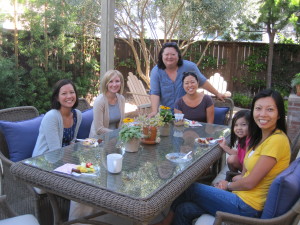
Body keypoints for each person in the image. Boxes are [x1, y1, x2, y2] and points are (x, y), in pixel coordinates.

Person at [155, 89, 291, 225]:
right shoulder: (260, 136)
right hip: (240, 196)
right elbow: (248, 171)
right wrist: (237, 179)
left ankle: (165, 222)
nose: (263, 114)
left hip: (247, 207)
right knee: (184, 209)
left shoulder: (276, 141)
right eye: (258, 109)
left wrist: (228, 185)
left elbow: (250, 183)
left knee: (188, 187)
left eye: (270, 110)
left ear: (279, 114)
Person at [149, 42, 225, 117]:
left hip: (187, 115)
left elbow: (202, 82)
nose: (169, 57)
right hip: (166, 115)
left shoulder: (189, 67)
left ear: (178, 56)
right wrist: (154, 111)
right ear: (161, 56)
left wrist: (217, 93)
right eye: (166, 54)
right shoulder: (156, 71)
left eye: (173, 54)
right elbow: (155, 93)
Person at [32, 79, 82, 157]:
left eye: (72, 92)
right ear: (57, 97)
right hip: (44, 160)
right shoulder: (51, 117)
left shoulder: (78, 115)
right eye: (64, 93)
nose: (69, 96)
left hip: (66, 157)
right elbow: (55, 152)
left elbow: (72, 142)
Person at [89, 69, 125, 137]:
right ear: (106, 83)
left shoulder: (121, 99)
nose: (114, 85)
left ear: (121, 83)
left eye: (117, 81)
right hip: (99, 140)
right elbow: (99, 129)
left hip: (116, 138)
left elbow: (122, 122)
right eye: (110, 81)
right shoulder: (99, 101)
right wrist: (118, 133)